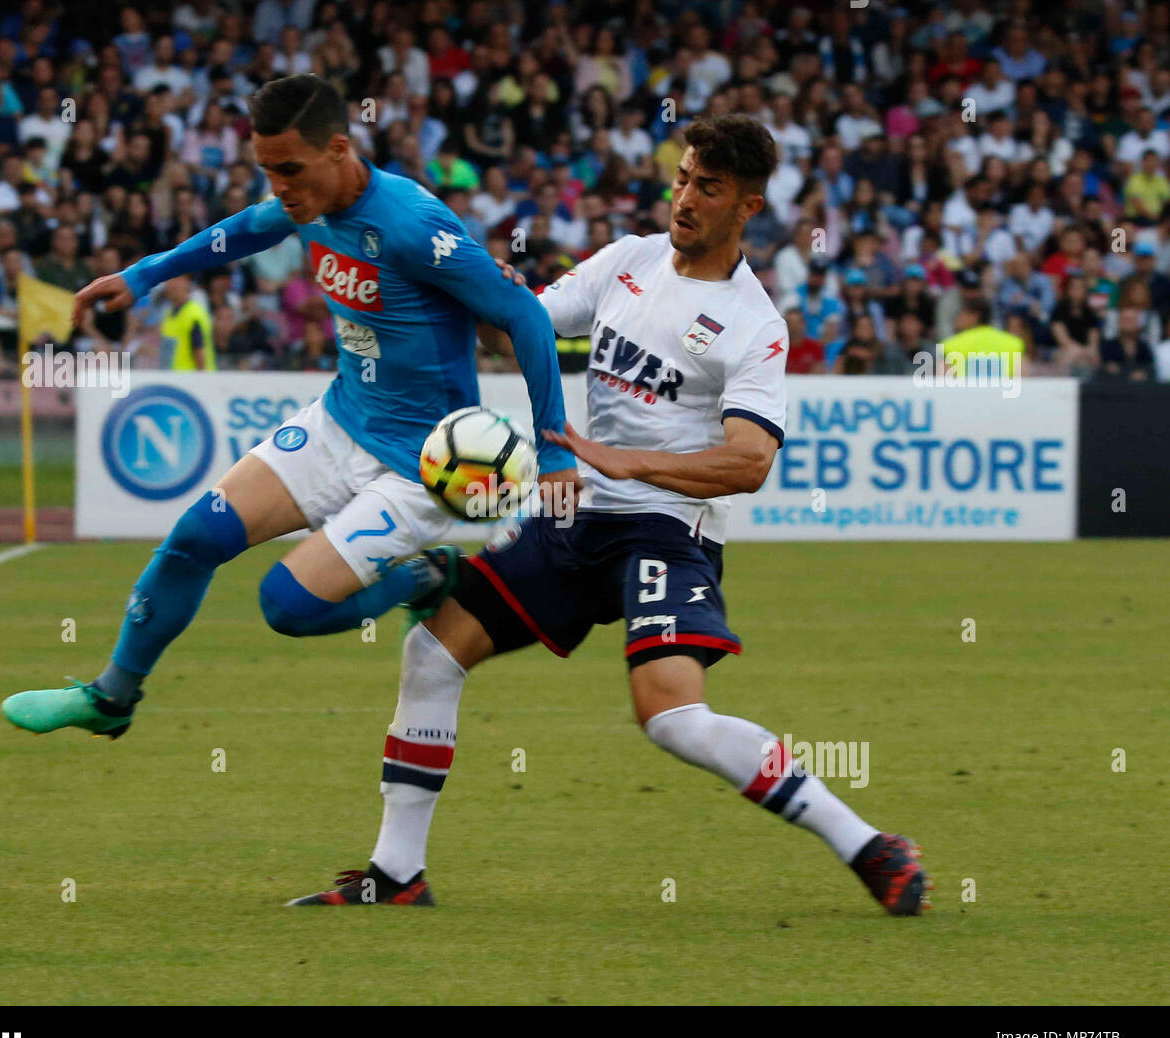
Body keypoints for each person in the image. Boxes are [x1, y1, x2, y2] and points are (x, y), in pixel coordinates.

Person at [289, 117, 929, 916]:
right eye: (685, 176)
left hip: (666, 528)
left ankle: (871, 846)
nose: (686, 197)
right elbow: (522, 321)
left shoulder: (753, 322)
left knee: (671, 717)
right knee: (431, 652)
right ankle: (398, 873)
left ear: (748, 207)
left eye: (709, 187)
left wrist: (635, 462)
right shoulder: (628, 260)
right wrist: (465, 275)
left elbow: (750, 460)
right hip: (577, 515)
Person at [2, 75, 578, 739]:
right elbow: (244, 229)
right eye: (267, 169)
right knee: (193, 538)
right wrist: (145, 273)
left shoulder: (412, 226)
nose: (278, 185)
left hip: (421, 464)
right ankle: (111, 697)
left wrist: (556, 451)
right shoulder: (309, 201)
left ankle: (428, 573)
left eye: (290, 169)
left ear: (339, 148)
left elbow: (524, 314)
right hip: (339, 420)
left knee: (287, 606)